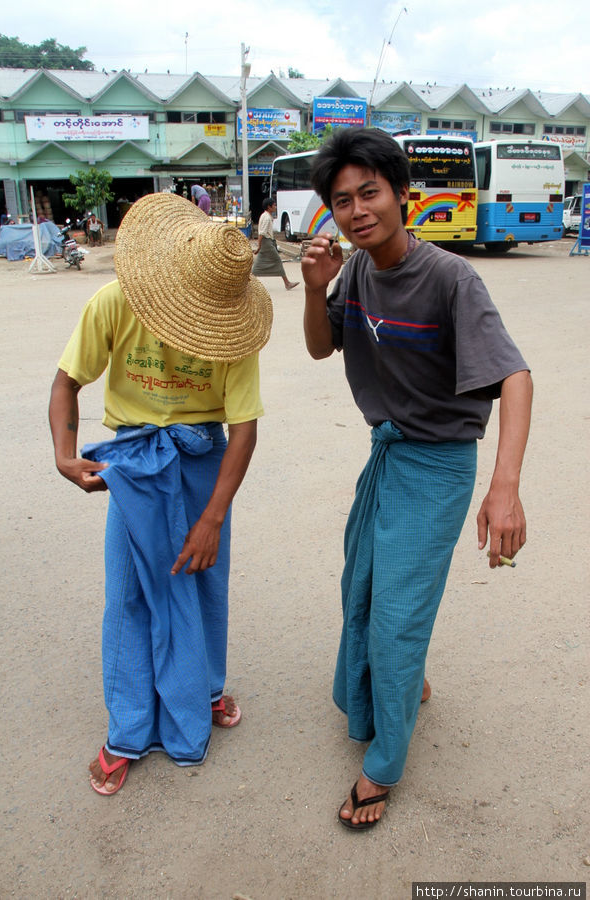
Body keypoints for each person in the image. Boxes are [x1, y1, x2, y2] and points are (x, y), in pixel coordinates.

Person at [301, 128, 532, 831]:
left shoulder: (451, 277)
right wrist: (315, 290)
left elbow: (515, 376)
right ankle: (401, 686)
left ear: (404, 195)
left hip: (438, 466)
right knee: (364, 588)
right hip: (388, 454)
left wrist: (505, 488)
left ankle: (383, 765)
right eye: (342, 200)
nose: (357, 210)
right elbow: (320, 346)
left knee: (397, 615)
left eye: (369, 193)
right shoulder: (358, 271)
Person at [49, 193, 272, 795]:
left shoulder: (231, 326)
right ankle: (127, 729)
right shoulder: (116, 301)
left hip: (204, 461)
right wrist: (64, 456)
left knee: (204, 583)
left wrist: (213, 518)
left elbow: (244, 428)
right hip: (136, 464)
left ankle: (205, 692)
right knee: (130, 593)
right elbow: (67, 381)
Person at [252, 197, 299, 290]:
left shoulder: (266, 216)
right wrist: (259, 246)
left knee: (258, 263)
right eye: (274, 205)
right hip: (266, 243)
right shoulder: (266, 218)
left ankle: (248, 281)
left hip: (267, 242)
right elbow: (262, 233)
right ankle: (287, 283)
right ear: (269, 207)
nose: (275, 207)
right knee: (277, 260)